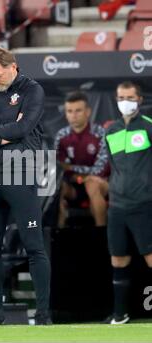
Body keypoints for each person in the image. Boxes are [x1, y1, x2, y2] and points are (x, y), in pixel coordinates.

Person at [0, 47, 51, 325]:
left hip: (21, 174)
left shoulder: (32, 90)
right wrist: (2, 135)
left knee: (33, 246)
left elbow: (22, 130)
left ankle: (42, 314)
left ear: (13, 66)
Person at [104, 81, 152, 324]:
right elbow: (113, 166)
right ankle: (119, 314)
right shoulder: (111, 130)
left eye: (130, 97)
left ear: (140, 100)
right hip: (117, 207)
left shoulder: (148, 127)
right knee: (118, 259)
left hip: (144, 204)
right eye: (121, 96)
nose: (125, 101)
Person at [54, 91, 109, 228]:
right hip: (73, 186)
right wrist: (77, 176)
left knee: (92, 184)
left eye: (78, 110)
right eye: (70, 111)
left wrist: (72, 169)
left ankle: (101, 237)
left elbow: (101, 169)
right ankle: (57, 239)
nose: (74, 115)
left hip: (100, 184)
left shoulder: (100, 133)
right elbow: (58, 168)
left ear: (88, 112)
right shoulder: (61, 136)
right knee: (55, 189)